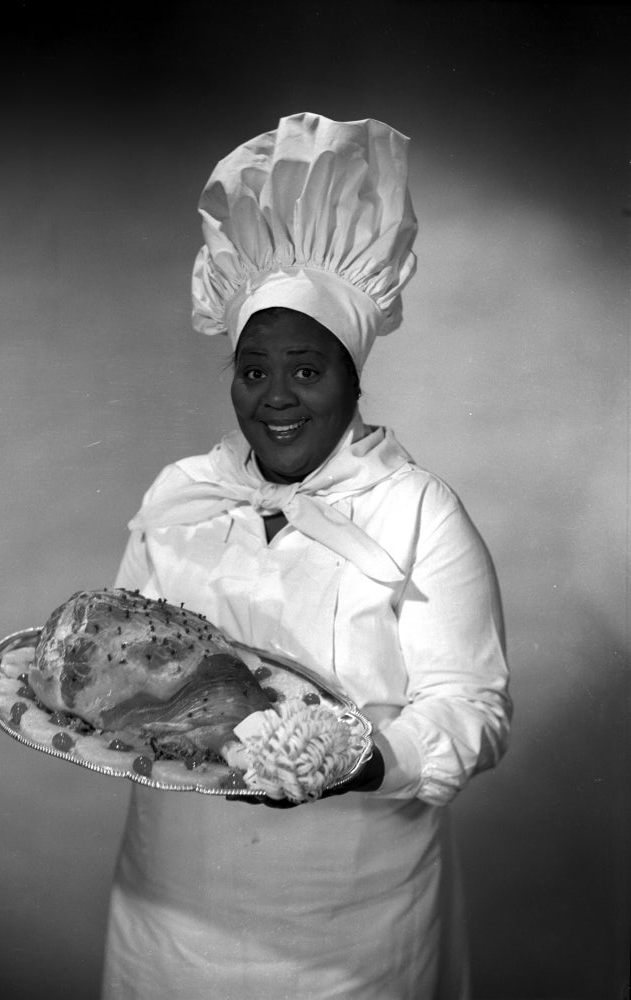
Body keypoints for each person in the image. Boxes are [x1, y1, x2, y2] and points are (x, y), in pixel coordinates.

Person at [101, 112, 511, 999]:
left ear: (353, 377)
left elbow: (472, 707)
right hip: (173, 905)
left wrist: (365, 760)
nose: (275, 397)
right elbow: (123, 658)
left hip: (353, 920)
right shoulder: (181, 497)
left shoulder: (417, 510)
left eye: (306, 368)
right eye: (253, 370)